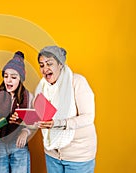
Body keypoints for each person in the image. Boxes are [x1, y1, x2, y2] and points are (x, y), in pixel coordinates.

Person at [34, 45, 97, 173]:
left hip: (78, 155)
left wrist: (58, 124)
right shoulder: (41, 88)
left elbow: (88, 117)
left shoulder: (77, 82)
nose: (45, 69)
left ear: (60, 64)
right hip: (52, 154)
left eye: (49, 64)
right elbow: (41, 118)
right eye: (41, 65)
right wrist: (22, 120)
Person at [0, 51, 33, 173]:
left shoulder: (28, 96)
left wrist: (25, 131)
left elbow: (32, 122)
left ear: (20, 79)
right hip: (0, 144)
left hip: (18, 145)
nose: (8, 80)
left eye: (13, 77)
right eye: (6, 76)